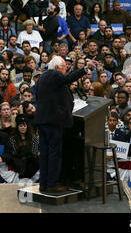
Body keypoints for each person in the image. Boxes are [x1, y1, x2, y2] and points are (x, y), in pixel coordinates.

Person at [34, 56, 96, 193]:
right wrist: (85, 69)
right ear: (57, 68)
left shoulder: (42, 78)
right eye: (64, 67)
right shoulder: (55, 75)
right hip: (53, 121)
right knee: (54, 153)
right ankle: (52, 183)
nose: (65, 70)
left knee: (44, 153)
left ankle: (43, 183)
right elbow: (68, 79)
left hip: (42, 120)